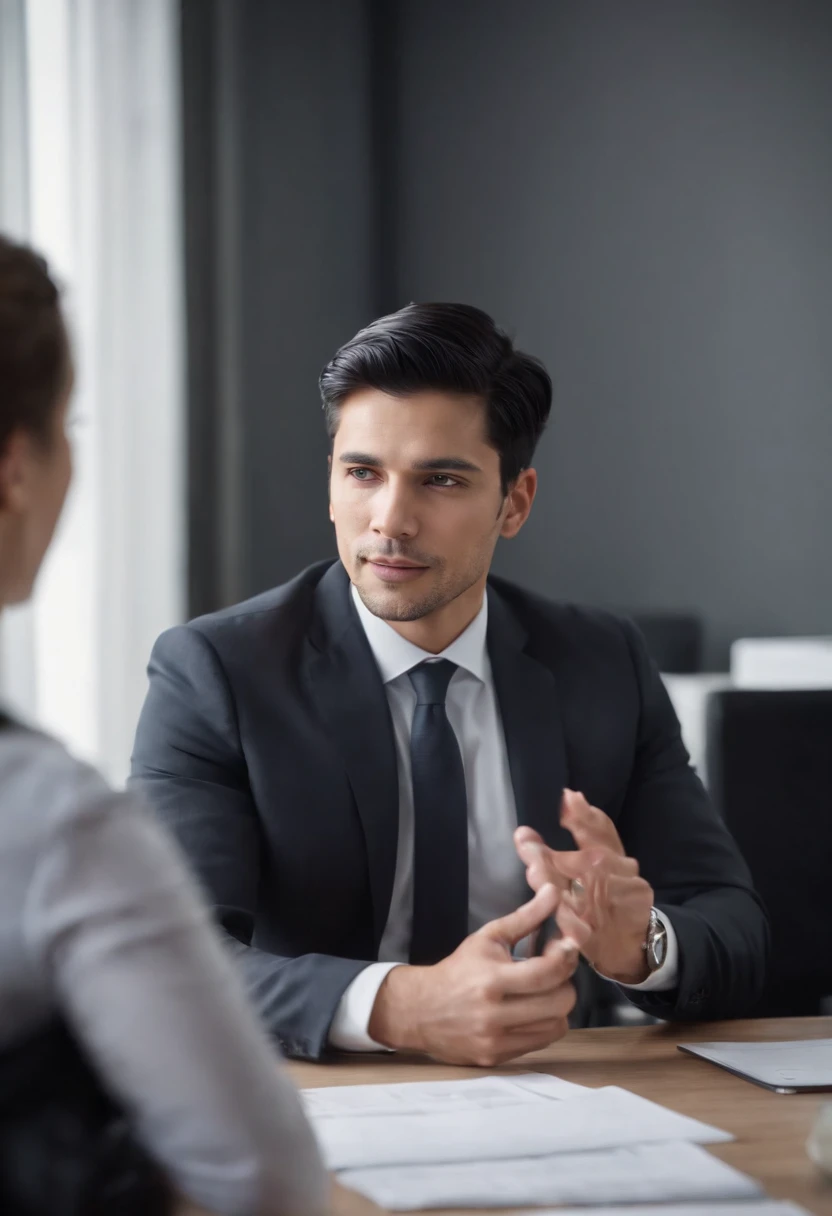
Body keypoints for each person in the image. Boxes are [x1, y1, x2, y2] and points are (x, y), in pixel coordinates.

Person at [131, 302, 768, 1067]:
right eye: (362, 473)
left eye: (440, 480)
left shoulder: (602, 663)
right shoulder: (216, 672)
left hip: (551, 1100)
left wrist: (643, 943)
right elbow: (169, 962)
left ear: (515, 502)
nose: (390, 520)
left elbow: (735, 930)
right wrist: (400, 1004)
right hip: (314, 1101)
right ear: (332, 484)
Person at [0, 234, 329, 1213]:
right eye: (74, 425)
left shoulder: (593, 663)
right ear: (16, 466)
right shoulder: (52, 820)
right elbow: (264, 1184)